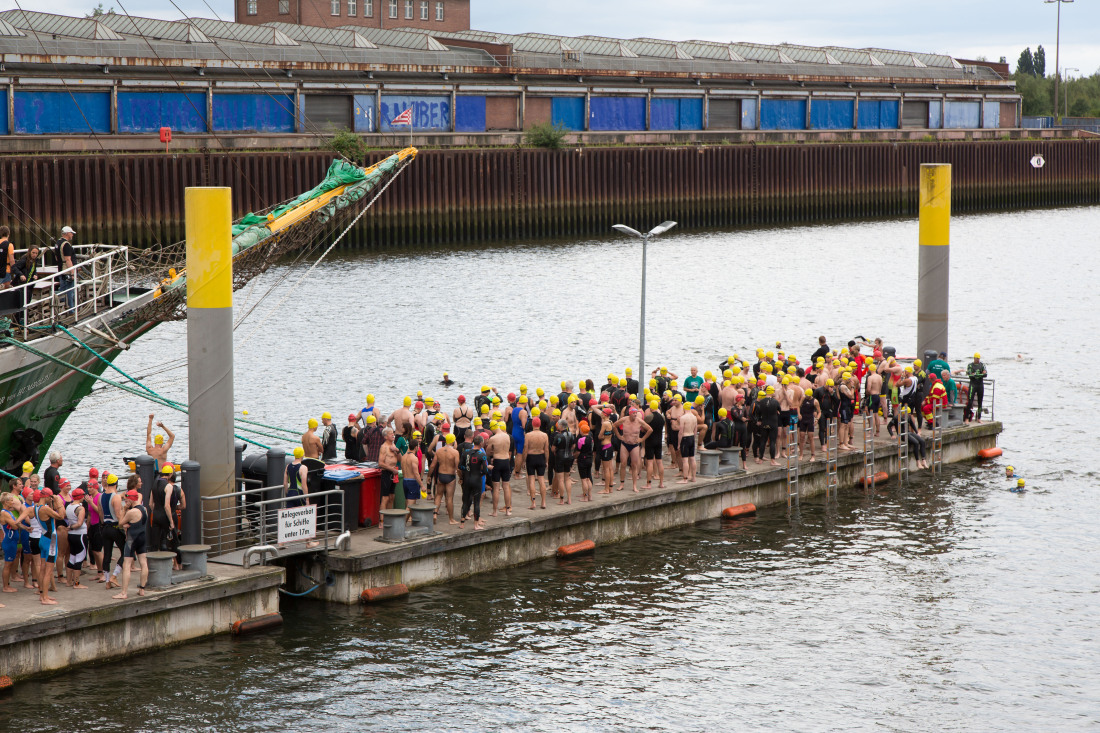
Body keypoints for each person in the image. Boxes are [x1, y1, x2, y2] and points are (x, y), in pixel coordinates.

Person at [112, 489, 149, 600]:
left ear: (131, 500)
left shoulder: (131, 512)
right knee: (143, 563)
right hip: (142, 538)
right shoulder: (144, 509)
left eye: (126, 500)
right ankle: (142, 589)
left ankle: (124, 593)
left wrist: (124, 509)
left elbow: (120, 523)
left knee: (126, 565)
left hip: (132, 539)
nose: (125, 501)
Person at [614, 407, 652, 493]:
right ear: (630, 413)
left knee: (634, 465)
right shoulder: (624, 419)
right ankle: (622, 484)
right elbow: (614, 426)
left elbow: (650, 429)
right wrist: (619, 436)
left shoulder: (639, 421)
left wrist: (642, 439)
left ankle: (634, 486)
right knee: (623, 464)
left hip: (634, 445)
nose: (635, 415)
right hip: (625, 444)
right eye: (634, 413)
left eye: (636, 413)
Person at [459, 434, 489, 530]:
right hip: (476, 480)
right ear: (481, 443)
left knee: (466, 501)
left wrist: (467, 469)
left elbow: (460, 466)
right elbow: (485, 471)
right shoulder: (482, 455)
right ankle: (476, 525)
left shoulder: (466, 452)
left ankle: (462, 523)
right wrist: (479, 474)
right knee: (476, 502)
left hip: (467, 479)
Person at [429, 433, 460, 524]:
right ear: (453, 441)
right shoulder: (455, 452)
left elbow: (432, 465)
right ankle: (451, 519)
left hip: (440, 475)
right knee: (449, 498)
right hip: (450, 476)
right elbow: (457, 467)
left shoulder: (439, 451)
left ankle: (435, 514)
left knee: (438, 495)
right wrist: (461, 477)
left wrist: (428, 477)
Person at [522, 417, 549, 509]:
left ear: (533, 424)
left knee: (532, 479)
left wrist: (524, 461)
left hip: (531, 457)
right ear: (540, 424)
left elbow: (525, 448)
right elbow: (546, 450)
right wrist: (547, 461)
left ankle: (533, 503)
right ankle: (543, 502)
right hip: (541, 457)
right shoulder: (545, 435)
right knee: (541, 480)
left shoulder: (528, 435)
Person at [64, 487, 89, 589]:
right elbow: (79, 523)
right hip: (80, 535)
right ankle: (77, 584)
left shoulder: (68, 506)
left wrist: (70, 527)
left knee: (72, 558)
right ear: (81, 497)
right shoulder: (80, 508)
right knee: (79, 558)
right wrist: (71, 527)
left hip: (71, 536)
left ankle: (69, 581)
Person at [149, 465, 178, 554]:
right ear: (170, 474)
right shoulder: (168, 486)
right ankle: (178, 563)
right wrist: (171, 521)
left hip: (156, 516)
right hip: (165, 516)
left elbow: (150, 503)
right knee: (173, 540)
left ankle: (152, 563)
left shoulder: (154, 484)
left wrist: (155, 512)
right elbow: (166, 506)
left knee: (155, 542)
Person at [486, 422, 513, 517]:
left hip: (497, 462)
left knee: (496, 488)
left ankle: (495, 512)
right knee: (506, 487)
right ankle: (508, 510)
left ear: (493, 428)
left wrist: (493, 450)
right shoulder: (507, 436)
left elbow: (488, 453)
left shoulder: (493, 438)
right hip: (506, 461)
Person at [53, 226, 77, 313]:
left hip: (60, 269)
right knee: (70, 291)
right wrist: (72, 273)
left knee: (62, 289)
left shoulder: (58, 243)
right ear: (67, 233)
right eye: (71, 233)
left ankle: (60, 309)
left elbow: (56, 257)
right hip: (66, 271)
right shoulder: (66, 245)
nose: (72, 235)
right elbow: (68, 259)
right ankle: (71, 310)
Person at [551, 419, 575, 504]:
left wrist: (556, 450)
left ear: (560, 426)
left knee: (560, 479)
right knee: (567, 478)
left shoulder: (558, 436)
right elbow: (573, 446)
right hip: (568, 456)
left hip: (560, 457)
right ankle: (569, 499)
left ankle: (561, 499)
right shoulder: (571, 435)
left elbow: (553, 448)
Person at [400, 438, 425, 514]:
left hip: (405, 481)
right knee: (410, 506)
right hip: (412, 482)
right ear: (416, 447)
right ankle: (402, 524)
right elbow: (416, 473)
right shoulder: (414, 458)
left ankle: (407, 520)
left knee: (407, 502)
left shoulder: (403, 457)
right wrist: (422, 485)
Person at [377, 428, 400, 513]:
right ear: (386, 436)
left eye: (393, 433)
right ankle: (382, 520)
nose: (393, 435)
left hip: (393, 473)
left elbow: (400, 459)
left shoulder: (393, 445)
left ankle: (390, 517)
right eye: (390, 434)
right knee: (385, 497)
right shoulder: (384, 447)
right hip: (386, 473)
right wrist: (392, 469)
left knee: (392, 496)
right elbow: (380, 463)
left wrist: (397, 451)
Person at [677, 403, 699, 483]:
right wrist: (693, 439)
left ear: (684, 408)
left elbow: (681, 431)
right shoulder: (694, 417)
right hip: (692, 437)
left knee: (685, 460)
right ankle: (693, 478)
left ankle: (685, 479)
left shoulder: (683, 418)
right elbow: (695, 430)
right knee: (692, 458)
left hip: (685, 438)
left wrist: (679, 443)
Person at [962, 352, 987, 423]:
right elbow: (970, 375)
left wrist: (975, 374)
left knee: (980, 402)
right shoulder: (970, 365)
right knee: (970, 401)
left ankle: (979, 418)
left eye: (979, 358)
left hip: (980, 385)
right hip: (973, 385)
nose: (978, 360)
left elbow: (985, 375)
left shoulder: (982, 365)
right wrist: (980, 374)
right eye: (976, 358)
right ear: (974, 358)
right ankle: (966, 418)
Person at [575, 421, 595, 501]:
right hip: (589, 459)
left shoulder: (581, 440)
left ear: (582, 431)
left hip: (582, 459)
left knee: (583, 479)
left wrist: (574, 457)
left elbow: (578, 451)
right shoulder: (591, 439)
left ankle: (585, 497)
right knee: (588, 478)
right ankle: (590, 496)